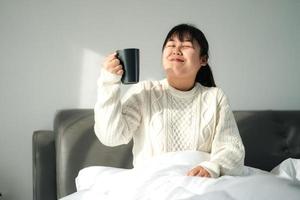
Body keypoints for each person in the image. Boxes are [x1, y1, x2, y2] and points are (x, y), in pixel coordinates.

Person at [94, 23, 245, 178]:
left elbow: (232, 148)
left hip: (200, 184)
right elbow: (110, 136)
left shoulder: (215, 97)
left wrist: (213, 168)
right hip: (151, 184)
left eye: (186, 46)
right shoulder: (145, 92)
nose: (176, 50)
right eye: (171, 45)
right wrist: (108, 82)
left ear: (203, 59)